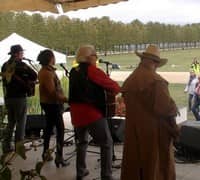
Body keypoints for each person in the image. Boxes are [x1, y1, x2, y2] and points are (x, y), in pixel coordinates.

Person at [121, 44, 179, 180]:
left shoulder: (130, 79)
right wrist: (175, 127)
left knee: (134, 165)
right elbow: (166, 110)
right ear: (156, 63)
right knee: (155, 167)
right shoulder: (157, 82)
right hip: (154, 134)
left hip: (133, 131)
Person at [69, 45, 120, 180]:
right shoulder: (93, 70)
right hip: (91, 113)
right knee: (106, 143)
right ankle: (106, 175)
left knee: (82, 142)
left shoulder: (73, 71)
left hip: (76, 113)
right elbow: (113, 86)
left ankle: (81, 172)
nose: (96, 58)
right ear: (89, 57)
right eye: (95, 55)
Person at [1, 44, 37, 153]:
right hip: (19, 98)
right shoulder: (22, 65)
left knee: (11, 122)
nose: (23, 55)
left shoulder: (4, 65)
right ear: (17, 54)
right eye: (22, 53)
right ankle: (19, 147)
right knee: (21, 122)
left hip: (8, 97)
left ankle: (6, 146)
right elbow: (34, 75)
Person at [37, 49, 69, 167]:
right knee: (60, 130)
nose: (55, 59)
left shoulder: (46, 71)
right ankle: (59, 157)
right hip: (51, 104)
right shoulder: (46, 73)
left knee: (49, 127)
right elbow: (51, 92)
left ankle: (46, 153)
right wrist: (65, 99)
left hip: (49, 103)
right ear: (50, 58)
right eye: (53, 56)